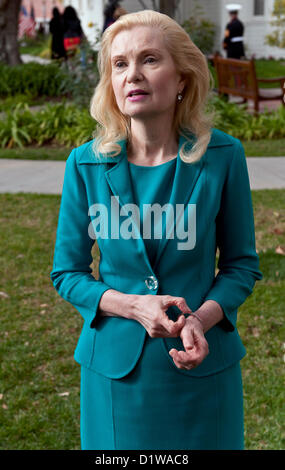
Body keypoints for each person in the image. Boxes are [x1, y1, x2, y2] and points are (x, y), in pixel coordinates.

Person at [50, 10, 262, 450]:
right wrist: (132, 306)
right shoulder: (85, 165)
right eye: (120, 64)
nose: (133, 75)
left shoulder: (223, 156)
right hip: (116, 375)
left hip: (203, 370)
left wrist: (200, 321)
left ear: (182, 77)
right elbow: (67, 274)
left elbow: (241, 266)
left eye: (149, 59)